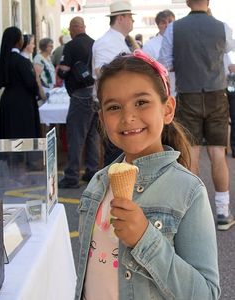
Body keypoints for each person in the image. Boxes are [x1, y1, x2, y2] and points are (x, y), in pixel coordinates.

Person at [75, 50, 220, 300]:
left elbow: (206, 293)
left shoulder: (188, 191)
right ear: (102, 119)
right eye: (114, 107)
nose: (128, 116)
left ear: (168, 109)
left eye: (141, 102)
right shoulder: (97, 184)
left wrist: (145, 238)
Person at [159, 0, 235, 230]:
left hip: (188, 93)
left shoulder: (174, 28)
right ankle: (222, 212)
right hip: (216, 94)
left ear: (187, 2)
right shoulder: (222, 27)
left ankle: (191, 213)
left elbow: (165, 63)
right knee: (217, 153)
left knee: (190, 154)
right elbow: (227, 56)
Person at [57, 16, 99, 188]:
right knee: (92, 136)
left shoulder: (71, 45)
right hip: (96, 94)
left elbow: (64, 70)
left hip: (80, 94)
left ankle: (72, 176)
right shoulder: (95, 44)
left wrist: (64, 73)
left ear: (73, 28)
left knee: (76, 135)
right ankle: (91, 172)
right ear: (84, 27)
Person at [92, 0, 135, 166]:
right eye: (130, 17)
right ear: (121, 18)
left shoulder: (118, 40)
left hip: (119, 103)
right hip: (114, 104)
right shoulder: (107, 41)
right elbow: (100, 72)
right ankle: (111, 189)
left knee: (120, 151)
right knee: (115, 153)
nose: (132, 21)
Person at [0, 26, 40, 138]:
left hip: (7, 101)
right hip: (22, 103)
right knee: (23, 137)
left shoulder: (5, 60)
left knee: (9, 135)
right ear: (18, 41)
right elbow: (31, 84)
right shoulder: (22, 61)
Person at [142, 10, 176, 96]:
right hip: (162, 90)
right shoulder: (149, 45)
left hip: (182, 90)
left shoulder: (182, 41)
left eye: (170, 22)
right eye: (163, 22)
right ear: (158, 25)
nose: (167, 25)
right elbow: (146, 69)